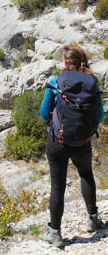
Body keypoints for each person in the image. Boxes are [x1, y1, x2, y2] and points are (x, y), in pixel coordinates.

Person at [40, 44, 105, 247]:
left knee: (57, 185)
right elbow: (100, 115)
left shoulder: (56, 82)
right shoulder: (92, 83)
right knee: (86, 174)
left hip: (58, 141)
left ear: (65, 63)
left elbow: (43, 114)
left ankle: (55, 233)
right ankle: (93, 218)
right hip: (83, 142)